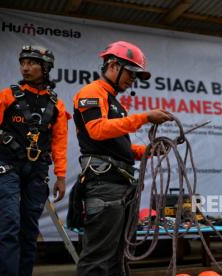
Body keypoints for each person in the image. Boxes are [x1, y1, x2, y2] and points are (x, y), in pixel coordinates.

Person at [72, 41, 173, 275]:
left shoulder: (114, 101)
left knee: (117, 256)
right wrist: (145, 117)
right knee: (98, 257)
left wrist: (147, 151)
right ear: (113, 65)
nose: (133, 80)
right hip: (104, 184)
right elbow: (97, 130)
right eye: (131, 73)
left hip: (118, 184)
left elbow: (117, 146)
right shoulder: (92, 92)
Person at [0, 45, 69, 276]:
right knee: (9, 227)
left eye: (32, 63)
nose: (25, 67)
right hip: (6, 167)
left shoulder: (56, 105)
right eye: (23, 63)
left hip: (37, 172)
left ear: (45, 68)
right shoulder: (6, 96)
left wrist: (61, 176)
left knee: (29, 230)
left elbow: (59, 143)